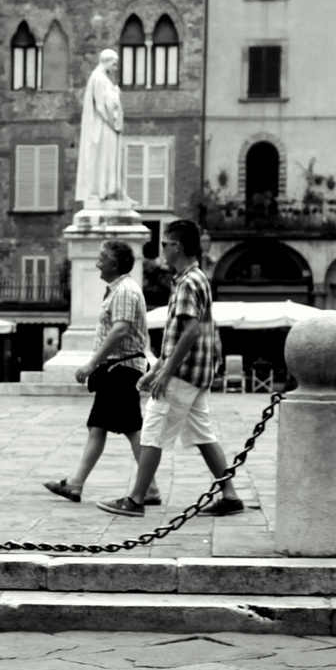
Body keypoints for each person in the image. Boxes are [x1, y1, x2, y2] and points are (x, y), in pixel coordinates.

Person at [96, 220, 244, 518]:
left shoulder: (188, 282)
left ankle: (136, 499)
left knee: (151, 432)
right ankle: (230, 495)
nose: (162, 249)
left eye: (165, 244)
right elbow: (180, 333)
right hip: (195, 370)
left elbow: (190, 331)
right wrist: (157, 368)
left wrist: (166, 371)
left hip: (184, 372)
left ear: (177, 246)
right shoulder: (193, 278)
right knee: (203, 433)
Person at [42, 240, 158, 505]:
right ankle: (78, 483)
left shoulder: (125, 291)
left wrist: (91, 363)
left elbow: (120, 330)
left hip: (122, 369)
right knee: (101, 427)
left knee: (130, 429)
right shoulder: (119, 290)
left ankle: (146, 488)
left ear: (115, 263)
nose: (96, 262)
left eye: (102, 257)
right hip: (119, 369)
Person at [74, 50, 126, 206]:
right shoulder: (99, 79)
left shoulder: (101, 78)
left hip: (105, 127)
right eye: (114, 64)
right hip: (104, 127)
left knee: (107, 158)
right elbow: (103, 106)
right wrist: (116, 96)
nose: (115, 68)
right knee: (105, 158)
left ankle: (109, 191)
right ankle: (104, 191)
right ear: (106, 61)